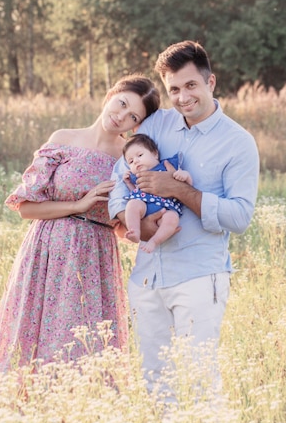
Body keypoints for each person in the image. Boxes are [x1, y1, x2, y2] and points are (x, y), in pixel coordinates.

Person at [109, 41, 259, 401]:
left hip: (197, 275)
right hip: (147, 275)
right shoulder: (157, 125)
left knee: (200, 379)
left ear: (211, 82)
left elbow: (239, 216)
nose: (182, 97)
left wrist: (177, 192)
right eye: (173, 89)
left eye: (190, 85)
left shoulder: (238, 143)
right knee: (155, 381)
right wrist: (133, 223)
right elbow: (120, 178)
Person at [0, 76, 161, 371]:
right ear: (111, 95)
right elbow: (26, 208)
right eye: (122, 103)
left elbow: (121, 223)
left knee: (83, 337)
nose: (121, 116)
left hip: (95, 256)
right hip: (47, 249)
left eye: (133, 116)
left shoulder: (128, 158)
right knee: (34, 332)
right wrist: (79, 205)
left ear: (136, 126)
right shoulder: (63, 138)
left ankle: (74, 403)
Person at [122, 133, 192, 254]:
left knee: (172, 218)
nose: (136, 161)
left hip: (166, 208)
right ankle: (135, 231)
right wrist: (129, 184)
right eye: (131, 161)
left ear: (155, 154)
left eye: (140, 155)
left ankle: (154, 241)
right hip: (144, 206)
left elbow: (187, 186)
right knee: (132, 204)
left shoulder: (166, 166)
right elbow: (135, 192)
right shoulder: (137, 176)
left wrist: (185, 175)